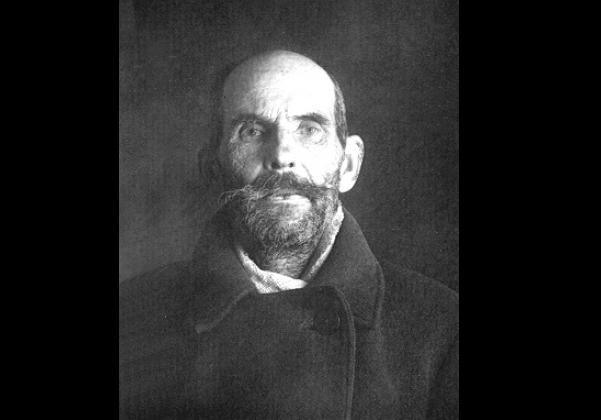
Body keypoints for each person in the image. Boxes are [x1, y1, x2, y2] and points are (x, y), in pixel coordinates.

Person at [119, 50, 459, 420]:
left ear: (349, 165)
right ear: (213, 168)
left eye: (309, 129)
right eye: (252, 131)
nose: (282, 155)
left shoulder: (442, 326)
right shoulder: (132, 315)